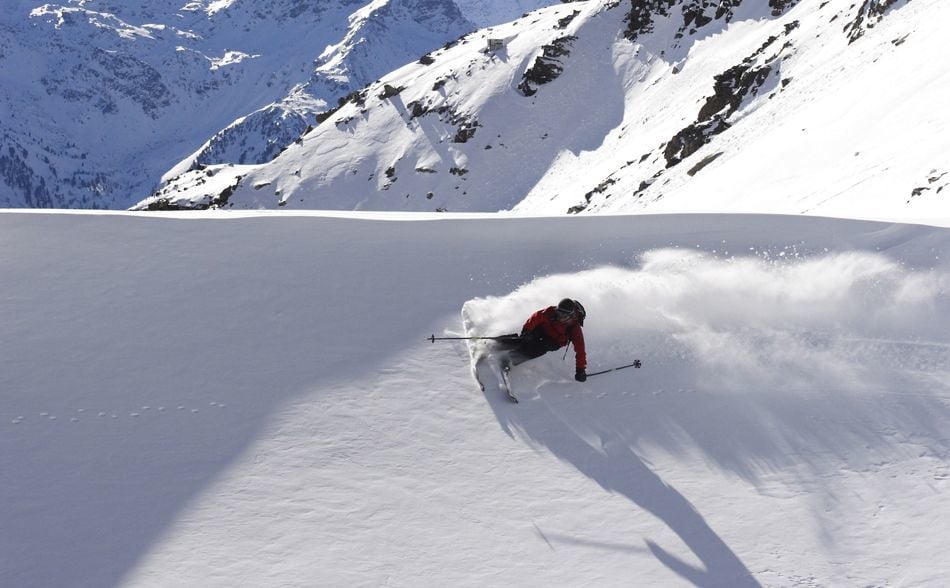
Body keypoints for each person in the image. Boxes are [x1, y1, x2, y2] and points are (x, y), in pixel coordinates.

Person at [498, 298, 587, 381]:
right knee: (526, 339)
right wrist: (526, 331)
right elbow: (536, 317)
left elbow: (580, 350)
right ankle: (498, 344)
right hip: (543, 329)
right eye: (559, 312)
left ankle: (509, 359)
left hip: (554, 341)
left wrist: (580, 370)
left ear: (570, 316)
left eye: (563, 315)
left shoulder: (574, 328)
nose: (559, 316)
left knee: (539, 349)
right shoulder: (551, 312)